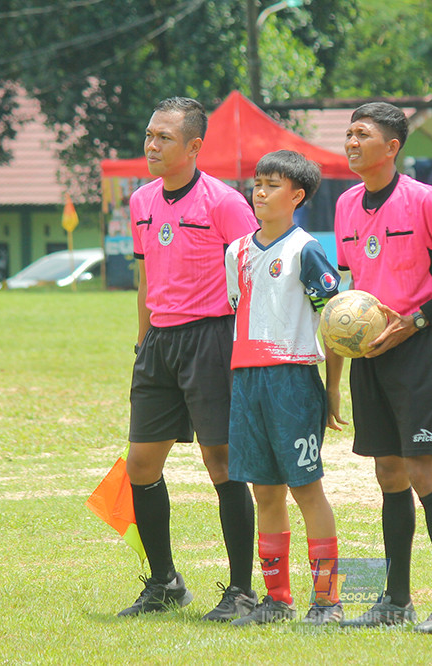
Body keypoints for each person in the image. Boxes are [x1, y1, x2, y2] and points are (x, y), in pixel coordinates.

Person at [331, 102, 432, 633]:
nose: (351, 142)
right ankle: (395, 601)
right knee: (387, 472)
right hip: (367, 355)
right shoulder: (346, 203)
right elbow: (347, 292)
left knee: (422, 469)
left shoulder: (425, 200)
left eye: (362, 134)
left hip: (417, 348)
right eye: (348, 134)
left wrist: (416, 321)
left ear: (392, 147)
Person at [118, 97, 259, 621]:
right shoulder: (141, 201)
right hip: (158, 344)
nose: (152, 145)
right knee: (141, 463)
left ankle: (240, 590)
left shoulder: (225, 202)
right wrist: (141, 342)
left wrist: (245, 349)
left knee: (220, 462)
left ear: (195, 146)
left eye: (164, 138)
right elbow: (146, 277)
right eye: (150, 135)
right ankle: (164, 582)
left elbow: (252, 278)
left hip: (213, 339)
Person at [223, 150, 345, 626]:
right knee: (265, 493)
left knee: (306, 489)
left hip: (292, 377)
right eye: (257, 183)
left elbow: (335, 323)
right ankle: (277, 600)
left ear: (296, 196)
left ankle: (328, 600)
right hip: (247, 379)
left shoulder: (306, 250)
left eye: (272, 185)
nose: (260, 191)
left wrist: (332, 389)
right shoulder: (234, 252)